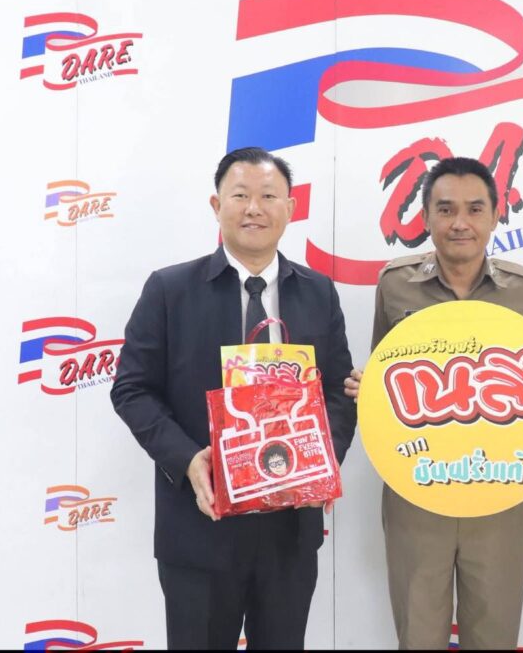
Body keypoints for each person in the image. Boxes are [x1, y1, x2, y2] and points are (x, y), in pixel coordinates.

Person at [111, 147, 356, 650]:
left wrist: (322, 462)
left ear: (290, 208)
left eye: (269, 196)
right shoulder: (170, 290)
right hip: (199, 524)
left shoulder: (318, 292)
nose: (254, 209)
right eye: (240, 196)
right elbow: (132, 389)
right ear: (216, 205)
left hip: (290, 531)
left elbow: (337, 390)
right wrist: (187, 459)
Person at [344, 157, 523, 650]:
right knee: (418, 634)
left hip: (499, 489)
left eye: (475, 209)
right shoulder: (396, 284)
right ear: (426, 217)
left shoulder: (521, 290)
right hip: (418, 486)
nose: (460, 223)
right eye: (446, 209)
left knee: (494, 633)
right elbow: (386, 380)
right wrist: (368, 389)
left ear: (495, 216)